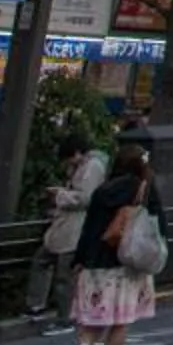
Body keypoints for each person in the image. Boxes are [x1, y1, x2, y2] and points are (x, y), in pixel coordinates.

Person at [65, 145, 160, 345]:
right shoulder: (144, 188)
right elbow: (156, 223)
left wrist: (79, 259)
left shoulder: (102, 191)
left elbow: (89, 228)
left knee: (94, 317)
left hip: (95, 262)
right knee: (120, 320)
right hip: (127, 263)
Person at [27, 134, 108, 325]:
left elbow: (85, 198)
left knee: (64, 275)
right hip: (65, 227)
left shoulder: (92, 167)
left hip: (76, 228)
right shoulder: (82, 166)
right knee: (43, 261)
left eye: (69, 157)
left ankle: (65, 317)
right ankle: (38, 305)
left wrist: (60, 195)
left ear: (77, 153)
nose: (68, 162)